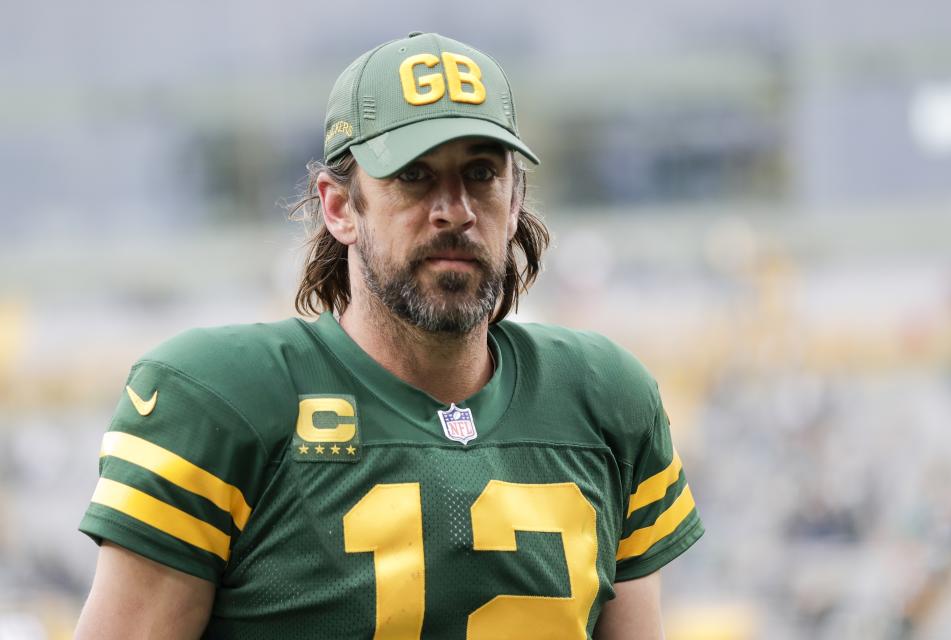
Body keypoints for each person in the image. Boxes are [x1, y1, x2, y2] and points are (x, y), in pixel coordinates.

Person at [75, 32, 703, 639]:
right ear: (340, 206)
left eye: (481, 174)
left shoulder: (603, 398)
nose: (454, 210)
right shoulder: (222, 398)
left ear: (515, 201)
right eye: (414, 176)